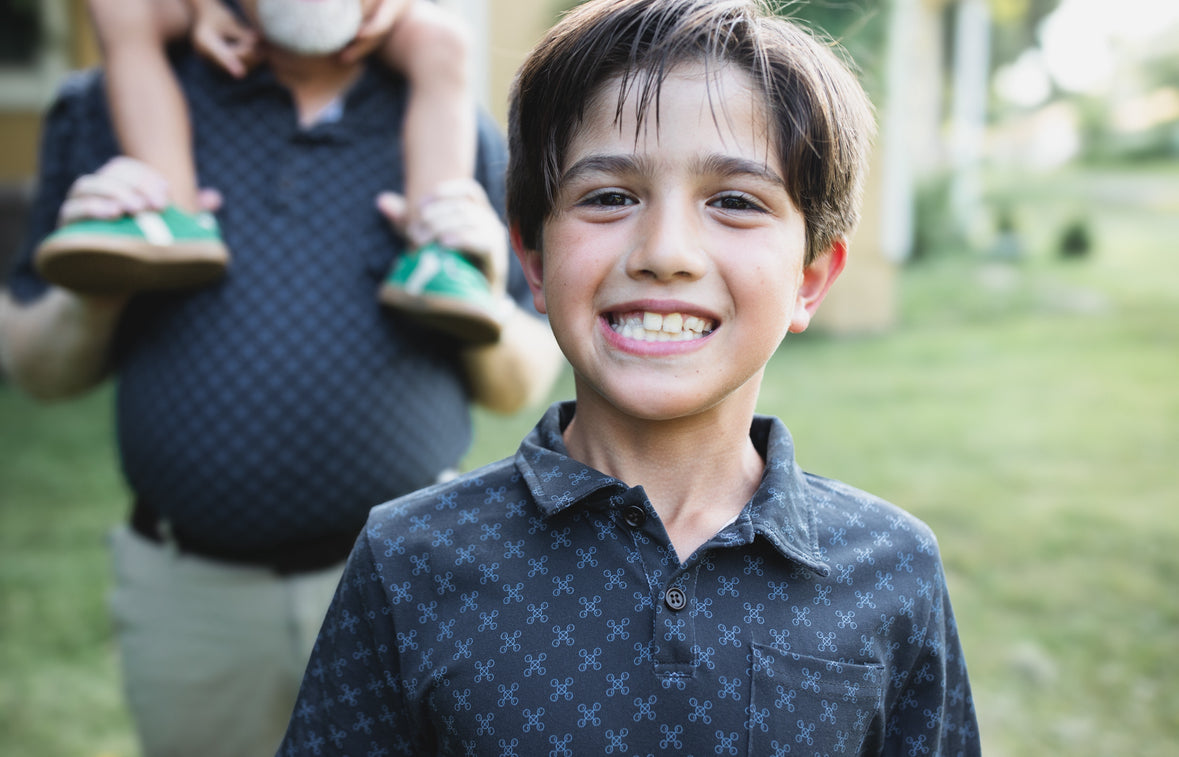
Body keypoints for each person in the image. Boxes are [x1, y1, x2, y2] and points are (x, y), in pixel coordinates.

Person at [276, 0, 982, 754]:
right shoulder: (408, 558)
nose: (664, 252)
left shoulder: (891, 568)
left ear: (809, 279)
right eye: (610, 197)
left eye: (734, 202)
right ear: (534, 262)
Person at [0, 0, 563, 754]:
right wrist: (96, 289)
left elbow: (518, 384)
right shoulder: (109, 102)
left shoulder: (445, 109)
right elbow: (35, 368)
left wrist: (484, 292)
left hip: (407, 577)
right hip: (194, 602)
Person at [34, 0, 504, 342]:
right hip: (244, 13)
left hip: (368, 17)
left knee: (444, 39)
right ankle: (167, 213)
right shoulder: (84, 108)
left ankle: (440, 251)